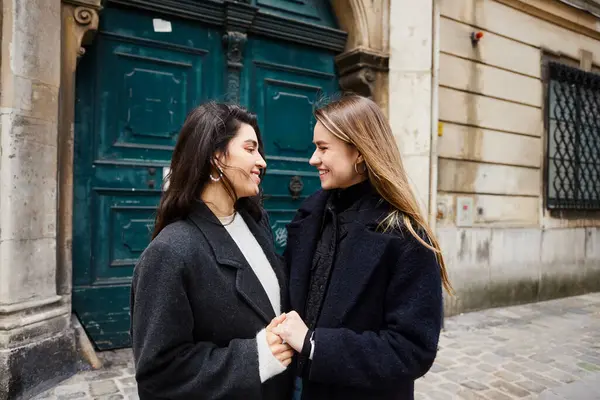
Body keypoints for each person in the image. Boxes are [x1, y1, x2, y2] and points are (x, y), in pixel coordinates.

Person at [273, 95, 452, 400]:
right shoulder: (309, 215)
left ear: (358, 151)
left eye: (323, 148)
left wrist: (315, 345)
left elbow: (412, 349)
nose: (313, 159)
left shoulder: (405, 236)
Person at [130, 102, 293, 400]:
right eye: (250, 148)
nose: (262, 162)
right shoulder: (170, 252)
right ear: (217, 157)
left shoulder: (256, 222)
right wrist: (257, 358)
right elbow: (158, 377)